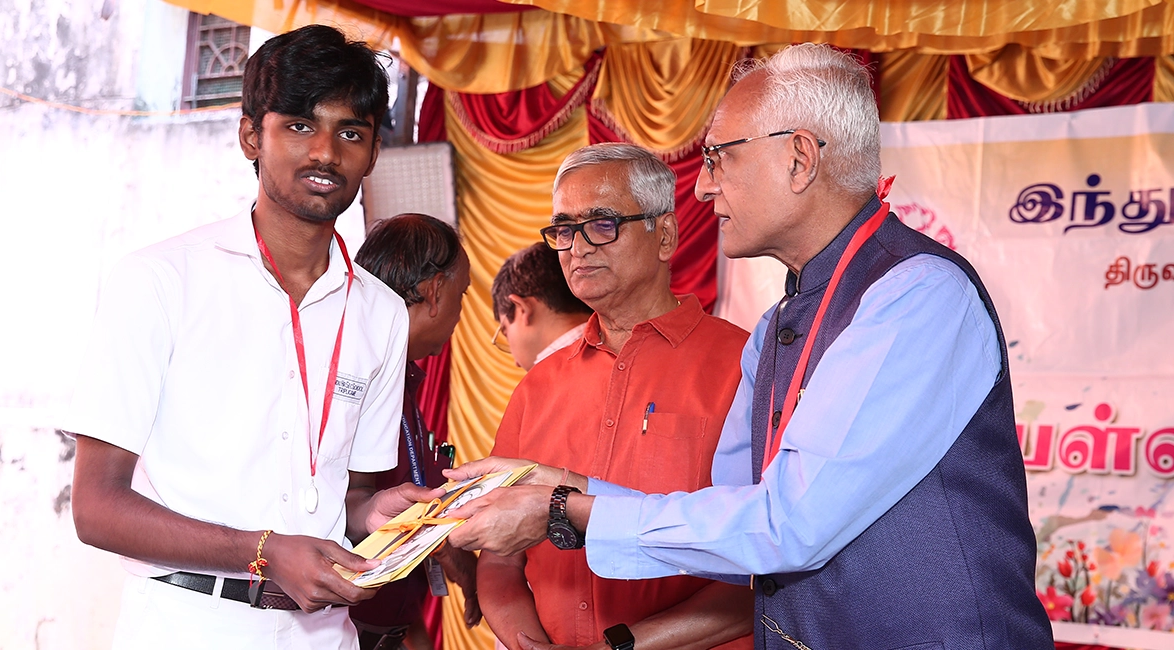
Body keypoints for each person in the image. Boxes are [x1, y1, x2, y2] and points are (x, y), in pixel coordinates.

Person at [446, 45, 1054, 649]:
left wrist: (562, 509)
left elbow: (787, 526)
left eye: (719, 157)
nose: (702, 187)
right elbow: (734, 517)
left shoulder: (916, 293)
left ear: (799, 159)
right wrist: (558, 484)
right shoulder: (776, 326)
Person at [64, 25, 442, 650]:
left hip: (324, 635)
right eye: (299, 125)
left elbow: (351, 498)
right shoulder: (160, 281)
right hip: (186, 628)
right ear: (250, 137)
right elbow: (97, 506)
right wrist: (260, 552)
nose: (326, 152)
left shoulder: (381, 313)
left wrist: (378, 517)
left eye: (351, 132)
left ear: (374, 152)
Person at [476, 143, 753, 650]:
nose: (577, 247)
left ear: (664, 235)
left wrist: (622, 646)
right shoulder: (537, 387)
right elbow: (499, 559)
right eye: (563, 229)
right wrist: (526, 642)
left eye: (602, 224)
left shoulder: (744, 365)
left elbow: (768, 561)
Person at [349, 213, 481, 650]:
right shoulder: (351, 379)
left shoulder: (403, 379)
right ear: (435, 292)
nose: (461, 314)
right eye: (462, 294)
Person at [490, 242, 592, 370]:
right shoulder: (614, 351)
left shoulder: (546, 378)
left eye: (506, 333)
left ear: (523, 309)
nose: (516, 362)